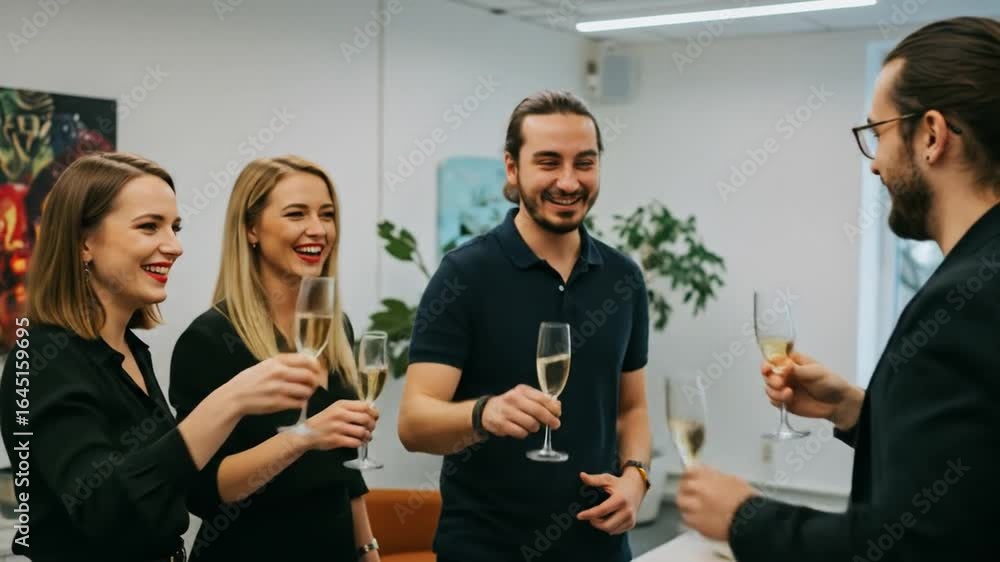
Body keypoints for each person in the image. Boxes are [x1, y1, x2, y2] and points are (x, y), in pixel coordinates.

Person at [676, 16, 1000, 562]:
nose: (874, 165)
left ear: (931, 135)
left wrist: (743, 517)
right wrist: (854, 410)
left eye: (878, 134)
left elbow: (911, 544)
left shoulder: (963, 301)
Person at [0, 152, 318, 561]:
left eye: (175, 228)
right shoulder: (42, 355)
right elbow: (103, 508)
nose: (175, 246)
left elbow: (179, 488)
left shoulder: (131, 350)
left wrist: (300, 437)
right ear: (84, 242)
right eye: (149, 226)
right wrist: (230, 400)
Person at [397, 90, 652, 562]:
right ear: (512, 169)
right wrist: (484, 414)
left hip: (600, 550)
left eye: (584, 163)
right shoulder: (464, 275)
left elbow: (631, 409)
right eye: (549, 162)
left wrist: (636, 478)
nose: (568, 181)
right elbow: (414, 424)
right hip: (485, 551)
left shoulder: (624, 279)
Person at [168, 155, 380, 561]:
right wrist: (304, 437)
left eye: (327, 214)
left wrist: (368, 549)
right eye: (296, 214)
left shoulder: (336, 328)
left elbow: (345, 471)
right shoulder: (210, 339)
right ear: (251, 229)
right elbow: (203, 491)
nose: (318, 229)